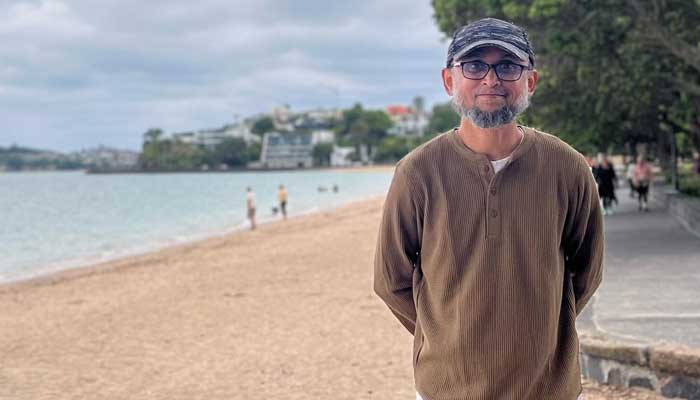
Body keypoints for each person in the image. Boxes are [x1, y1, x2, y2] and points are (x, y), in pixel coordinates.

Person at [373, 18, 603, 400]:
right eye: (474, 65)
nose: (491, 79)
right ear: (449, 80)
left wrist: (540, 328)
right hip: (446, 390)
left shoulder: (568, 167)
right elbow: (390, 280)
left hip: (548, 388)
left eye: (508, 66)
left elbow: (587, 271)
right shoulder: (418, 172)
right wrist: (446, 334)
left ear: (530, 80)